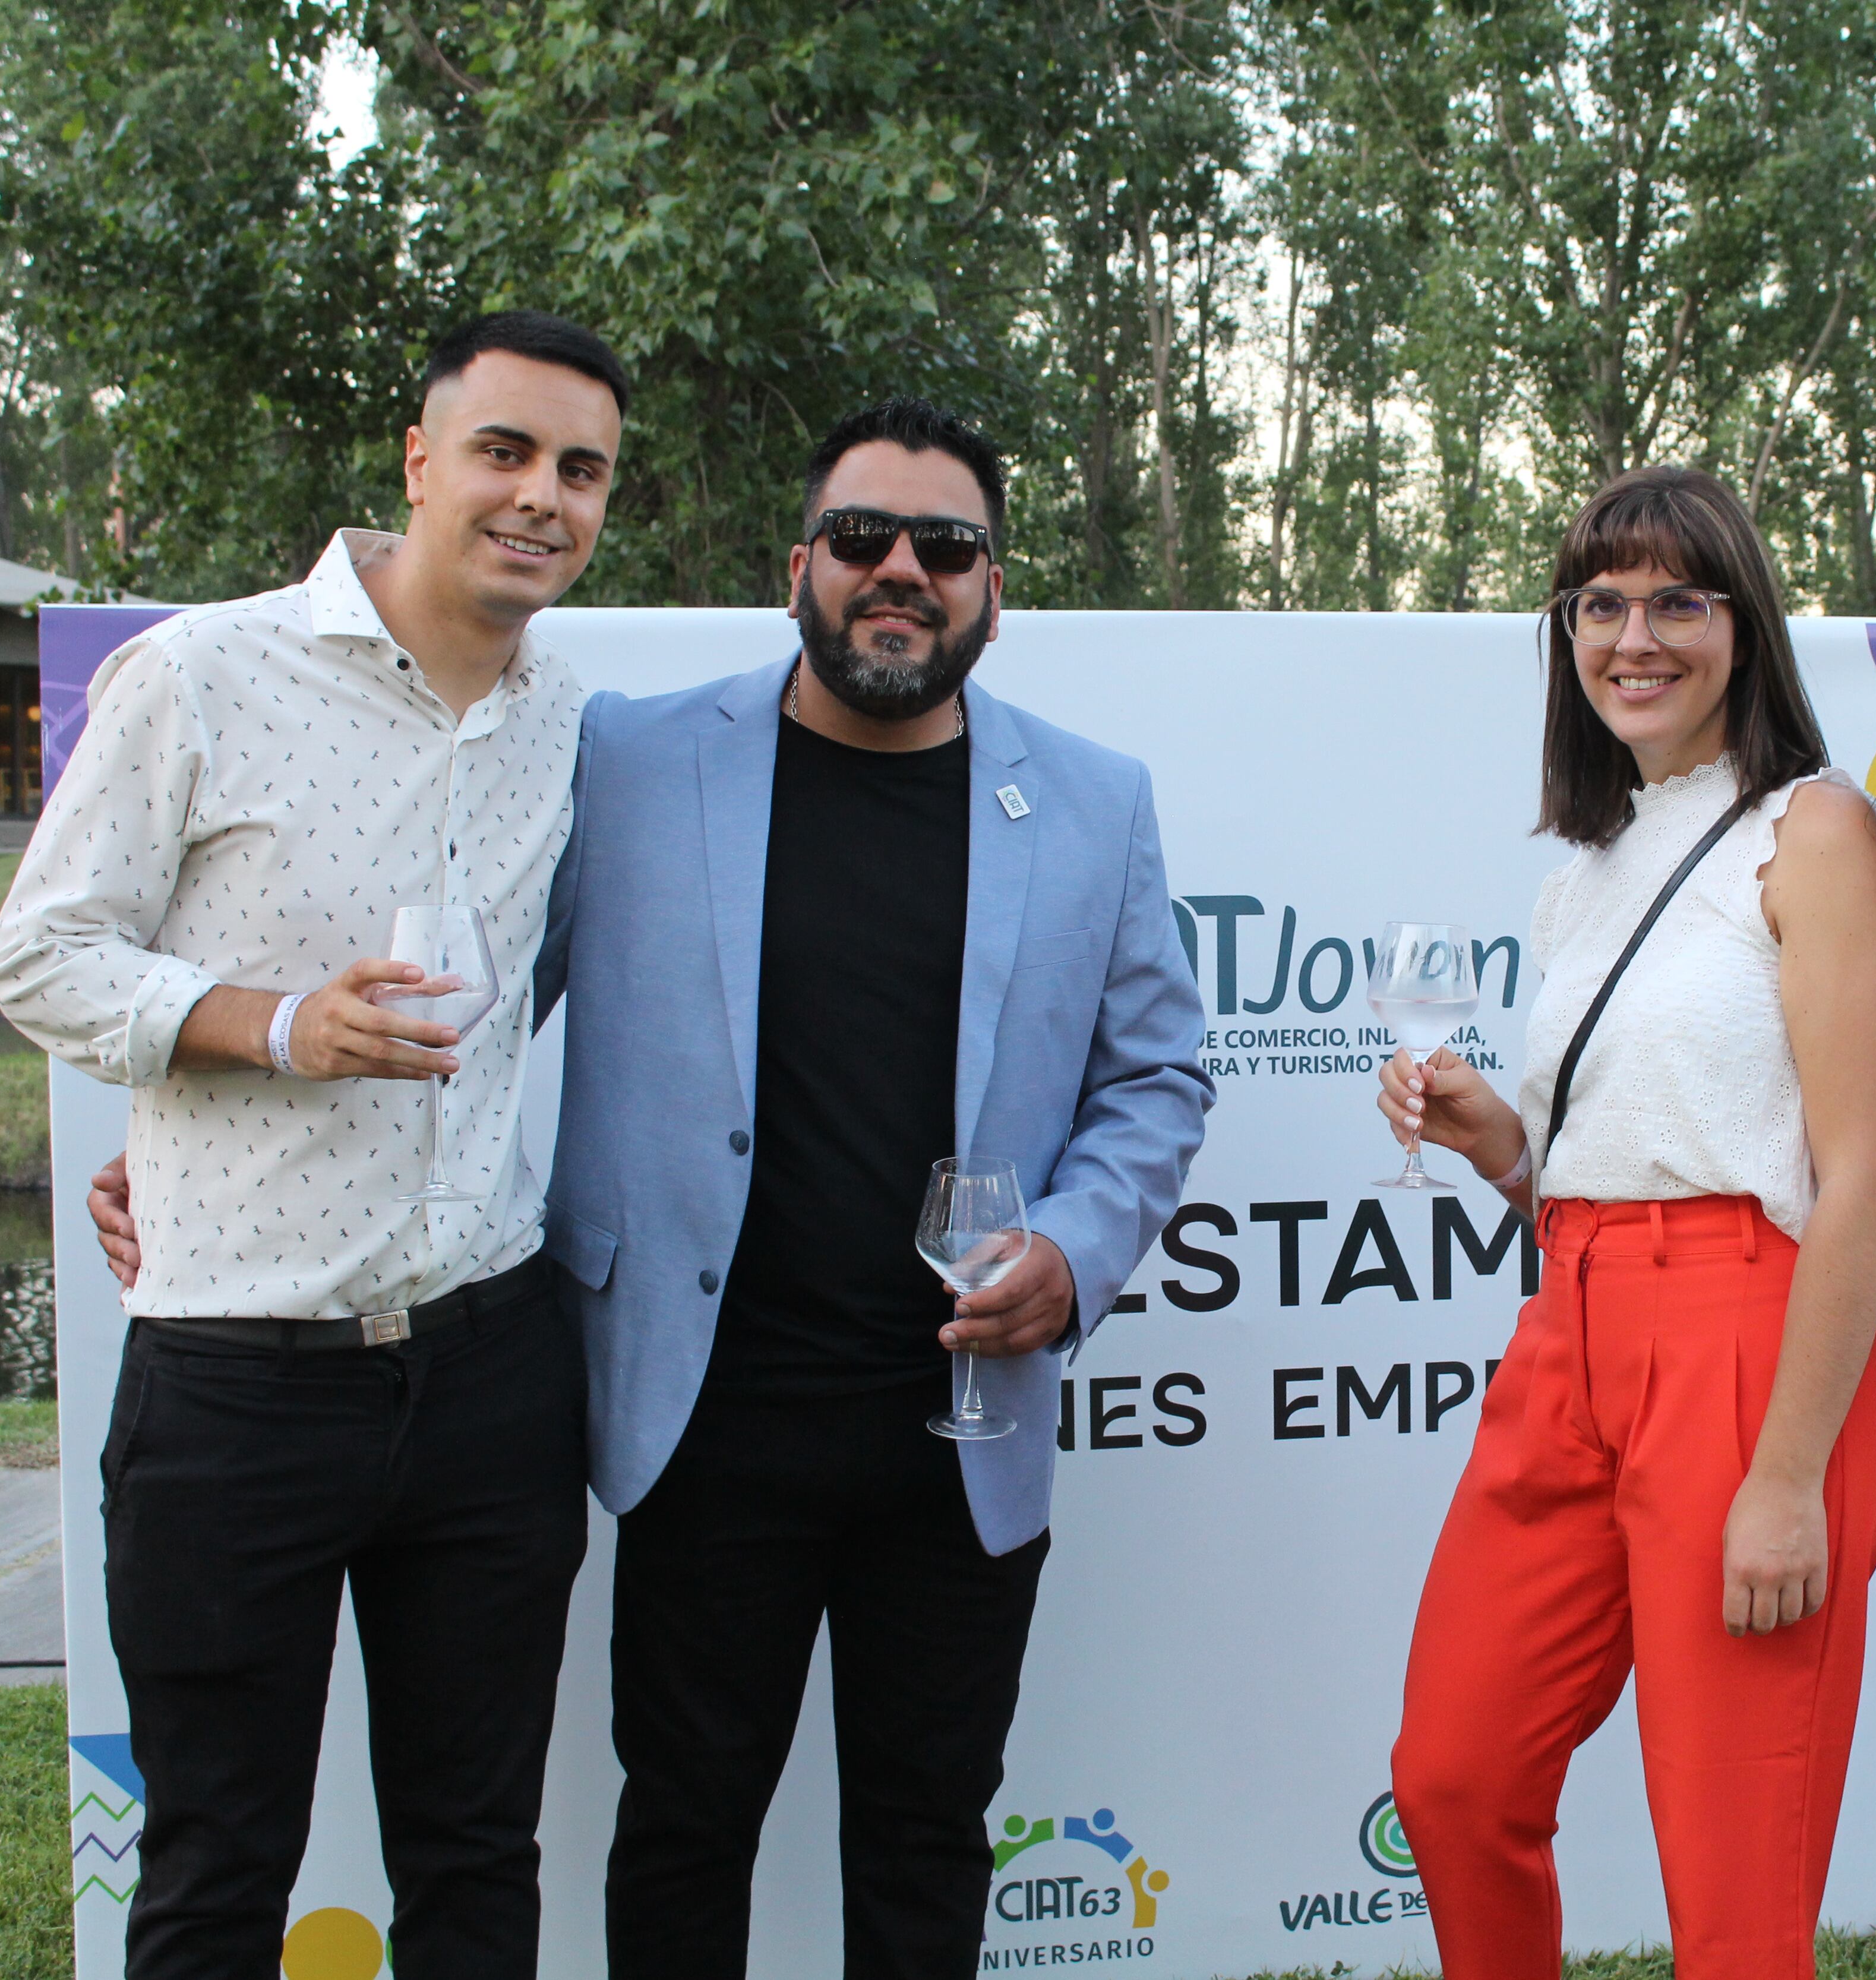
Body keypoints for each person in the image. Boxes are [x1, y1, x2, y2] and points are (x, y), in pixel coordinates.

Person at [537, 397, 1209, 1978]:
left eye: (946, 545)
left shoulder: (1096, 797)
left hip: (958, 1432)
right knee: (687, 1825)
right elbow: (476, 985)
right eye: (864, 538)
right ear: (800, 568)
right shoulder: (632, 757)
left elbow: (1159, 1075)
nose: (900, 568)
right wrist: (237, 1111)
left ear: (992, 588)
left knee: (926, 1835)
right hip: (704, 1423)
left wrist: (1073, 1242)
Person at [0, 310, 630, 1978]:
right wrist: (275, 1029)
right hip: (236, 1383)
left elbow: (540, 985)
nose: (540, 496)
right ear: (420, 463)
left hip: (493, 1373)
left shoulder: (570, 719)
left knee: (480, 1860)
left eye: (581, 469)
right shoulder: (201, 671)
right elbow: (45, 953)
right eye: (504, 450)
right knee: (215, 1872)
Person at [1373, 466, 1876, 1980]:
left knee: (1734, 1898)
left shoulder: (1812, 831)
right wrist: (1504, 1150)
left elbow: (1859, 1169)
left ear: (1745, 626)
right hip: (1572, 1326)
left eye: (1679, 598)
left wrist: (1790, 1473)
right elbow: (1622, 1158)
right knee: (1455, 1772)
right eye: (1601, 603)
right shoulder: (1587, 868)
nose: (1635, 634)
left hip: (1750, 1354)